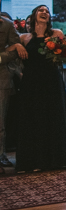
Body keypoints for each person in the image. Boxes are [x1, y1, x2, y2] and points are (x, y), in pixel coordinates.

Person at [13, 5, 66, 172]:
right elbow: (10, 53)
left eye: (47, 11)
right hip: (31, 83)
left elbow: (63, 55)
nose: (44, 12)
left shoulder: (57, 34)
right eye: (41, 10)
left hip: (51, 82)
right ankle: (31, 162)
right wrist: (17, 47)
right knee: (32, 118)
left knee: (52, 117)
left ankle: (54, 160)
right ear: (33, 16)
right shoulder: (24, 38)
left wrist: (62, 49)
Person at [0, 13, 25, 170]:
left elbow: (16, 50)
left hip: (1, 80)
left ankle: (0, 155)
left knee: (0, 122)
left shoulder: (7, 25)